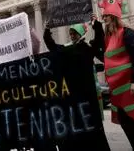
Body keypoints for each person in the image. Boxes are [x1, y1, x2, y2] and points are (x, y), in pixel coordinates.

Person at [43, 16, 110, 151]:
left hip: (87, 94)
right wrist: (47, 30)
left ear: (80, 34)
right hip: (73, 96)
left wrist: (96, 25)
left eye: (74, 33)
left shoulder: (87, 48)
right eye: (71, 34)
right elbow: (52, 46)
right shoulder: (66, 49)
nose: (72, 36)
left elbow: (99, 42)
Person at [98, 0, 134, 151]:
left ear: (114, 16)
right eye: (104, 16)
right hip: (118, 89)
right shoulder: (108, 38)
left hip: (131, 86)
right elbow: (104, 57)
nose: (105, 18)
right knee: (125, 122)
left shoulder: (129, 33)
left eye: (107, 15)